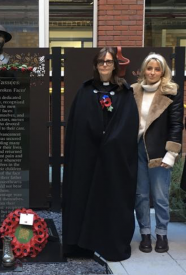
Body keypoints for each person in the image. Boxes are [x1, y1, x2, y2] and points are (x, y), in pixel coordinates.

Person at [62, 47, 139, 261]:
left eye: (108, 61)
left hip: (113, 158)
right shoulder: (85, 90)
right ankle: (80, 244)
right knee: (83, 195)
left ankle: (107, 242)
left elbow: (128, 123)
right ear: (96, 65)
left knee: (110, 198)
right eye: (101, 62)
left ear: (115, 65)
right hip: (87, 156)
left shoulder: (124, 92)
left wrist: (111, 142)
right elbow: (77, 124)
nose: (105, 65)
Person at [133, 53, 183, 253]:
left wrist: (171, 153)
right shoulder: (133, 91)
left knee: (160, 197)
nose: (152, 72)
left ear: (163, 71)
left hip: (159, 152)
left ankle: (161, 233)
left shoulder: (171, 91)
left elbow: (176, 124)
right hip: (136, 150)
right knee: (140, 195)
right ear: (144, 69)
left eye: (157, 69)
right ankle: (145, 233)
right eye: (149, 68)